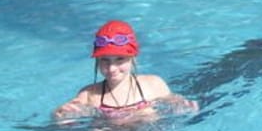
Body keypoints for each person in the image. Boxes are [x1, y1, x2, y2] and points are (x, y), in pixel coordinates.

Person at [53, 20, 198, 123]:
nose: (112, 68)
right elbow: (66, 115)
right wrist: (61, 115)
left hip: (146, 130)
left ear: (133, 58)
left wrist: (182, 104)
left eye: (119, 59)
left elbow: (172, 100)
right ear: (97, 61)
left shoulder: (153, 84)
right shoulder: (89, 94)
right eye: (105, 60)